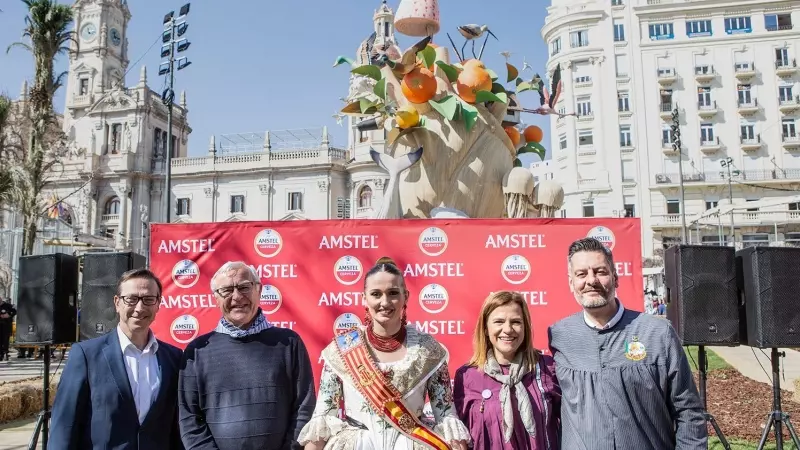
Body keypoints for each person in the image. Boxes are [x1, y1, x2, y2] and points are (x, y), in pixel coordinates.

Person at [548, 238, 707, 449]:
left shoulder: (657, 333)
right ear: (571, 283)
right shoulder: (559, 335)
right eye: (581, 274)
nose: (591, 280)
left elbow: (688, 411)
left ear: (615, 278)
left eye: (600, 272)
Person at [299, 257, 471, 450]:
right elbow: (322, 420)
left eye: (393, 293)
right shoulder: (342, 350)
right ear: (364, 298)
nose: (385, 302)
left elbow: (446, 416)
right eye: (376, 294)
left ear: (406, 296)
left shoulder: (427, 350)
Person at [179, 261, 316, 450]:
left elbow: (304, 407)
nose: (237, 297)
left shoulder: (288, 343)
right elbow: (189, 419)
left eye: (244, 287)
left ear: (259, 291)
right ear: (216, 298)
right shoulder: (197, 351)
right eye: (226, 290)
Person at [49, 268, 184, 450]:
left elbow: (177, 426)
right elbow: (65, 425)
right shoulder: (86, 355)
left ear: (158, 304)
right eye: (131, 299)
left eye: (148, 299)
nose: (139, 307)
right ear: (117, 303)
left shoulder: (174, 358)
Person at [453, 291, 561, 450]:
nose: (508, 329)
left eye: (516, 322)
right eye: (499, 321)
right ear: (485, 328)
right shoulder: (467, 376)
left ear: (525, 327)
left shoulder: (547, 368)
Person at [0, 296, 16, 361]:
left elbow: (14, 311)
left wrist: (9, 315)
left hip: (6, 325)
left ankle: (5, 353)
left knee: (6, 339)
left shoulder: (8, 305)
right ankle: (0, 354)